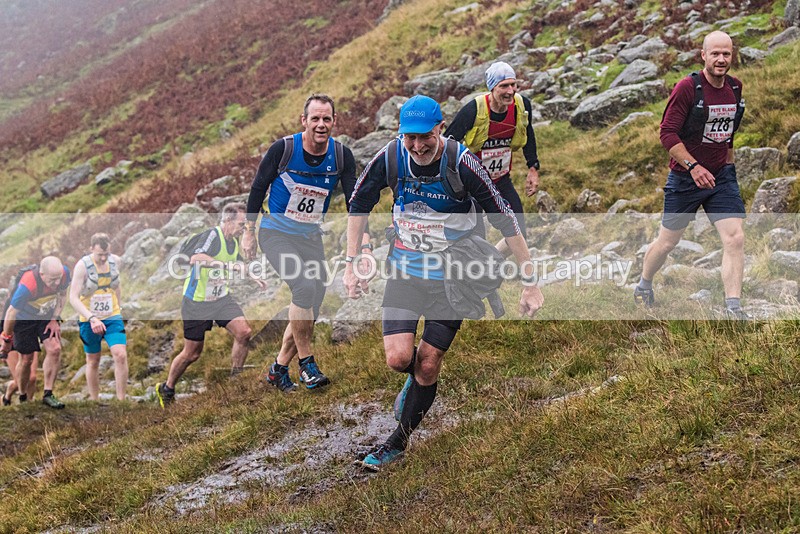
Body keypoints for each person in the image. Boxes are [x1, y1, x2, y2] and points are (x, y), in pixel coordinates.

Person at [343, 95, 544, 471]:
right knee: (399, 359)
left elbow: (506, 219)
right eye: (409, 138)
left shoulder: (462, 161)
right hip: (405, 271)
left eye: (425, 137)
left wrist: (530, 282)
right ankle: (414, 383)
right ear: (399, 134)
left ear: (440, 129)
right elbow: (358, 204)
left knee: (429, 365)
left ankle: (397, 441)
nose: (418, 146)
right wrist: (352, 261)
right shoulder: (389, 158)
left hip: (455, 278)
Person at [241, 93, 370, 392]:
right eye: (315, 119)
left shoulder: (341, 156)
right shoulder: (284, 149)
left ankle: (277, 369)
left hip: (310, 237)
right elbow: (258, 187)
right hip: (275, 234)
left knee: (311, 303)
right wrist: (249, 230)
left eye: (327, 119)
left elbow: (355, 202)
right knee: (303, 286)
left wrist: (364, 244)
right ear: (304, 121)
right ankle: (307, 365)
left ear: (334, 121)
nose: (321, 124)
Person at [634, 31, 748, 319]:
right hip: (685, 179)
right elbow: (667, 133)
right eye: (715, 54)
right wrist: (693, 167)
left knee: (735, 238)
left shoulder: (735, 88)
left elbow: (728, 134)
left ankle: (733, 307)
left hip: (721, 177)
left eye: (726, 54)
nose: (721, 59)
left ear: (732, 55)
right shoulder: (688, 88)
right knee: (667, 243)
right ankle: (644, 284)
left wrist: (729, 169)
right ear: (703, 55)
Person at [156, 202, 266, 407]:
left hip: (221, 299)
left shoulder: (233, 242)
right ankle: (167, 388)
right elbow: (197, 258)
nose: (244, 228)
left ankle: (236, 379)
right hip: (196, 302)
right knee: (192, 353)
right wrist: (225, 265)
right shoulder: (213, 236)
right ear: (227, 221)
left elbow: (238, 263)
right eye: (242, 224)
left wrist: (254, 276)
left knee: (244, 332)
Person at [444, 61, 541, 254]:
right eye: (504, 86)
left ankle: (492, 263)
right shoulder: (473, 110)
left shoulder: (522, 106)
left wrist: (533, 168)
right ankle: (480, 273)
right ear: (492, 87)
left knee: (518, 231)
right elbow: (447, 143)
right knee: (476, 238)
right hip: (473, 185)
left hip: (501, 179)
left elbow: (528, 136)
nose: (510, 91)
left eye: (513, 85)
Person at [0, 256, 70, 409]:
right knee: (26, 360)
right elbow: (11, 313)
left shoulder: (63, 274)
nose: (56, 283)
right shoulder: (27, 285)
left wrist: (54, 318)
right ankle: (23, 394)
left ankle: (48, 394)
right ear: (42, 274)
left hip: (46, 315)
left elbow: (63, 295)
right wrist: (6, 338)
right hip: (24, 319)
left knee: (55, 348)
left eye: (58, 278)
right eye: (52, 280)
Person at [69, 233, 129, 401]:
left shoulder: (115, 261)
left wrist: (119, 306)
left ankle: (121, 400)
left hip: (112, 315)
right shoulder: (82, 266)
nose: (103, 258)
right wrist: (91, 318)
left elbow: (117, 285)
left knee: (120, 355)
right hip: (89, 318)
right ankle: (95, 400)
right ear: (91, 249)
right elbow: (73, 297)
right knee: (93, 360)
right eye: (99, 255)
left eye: (106, 254)